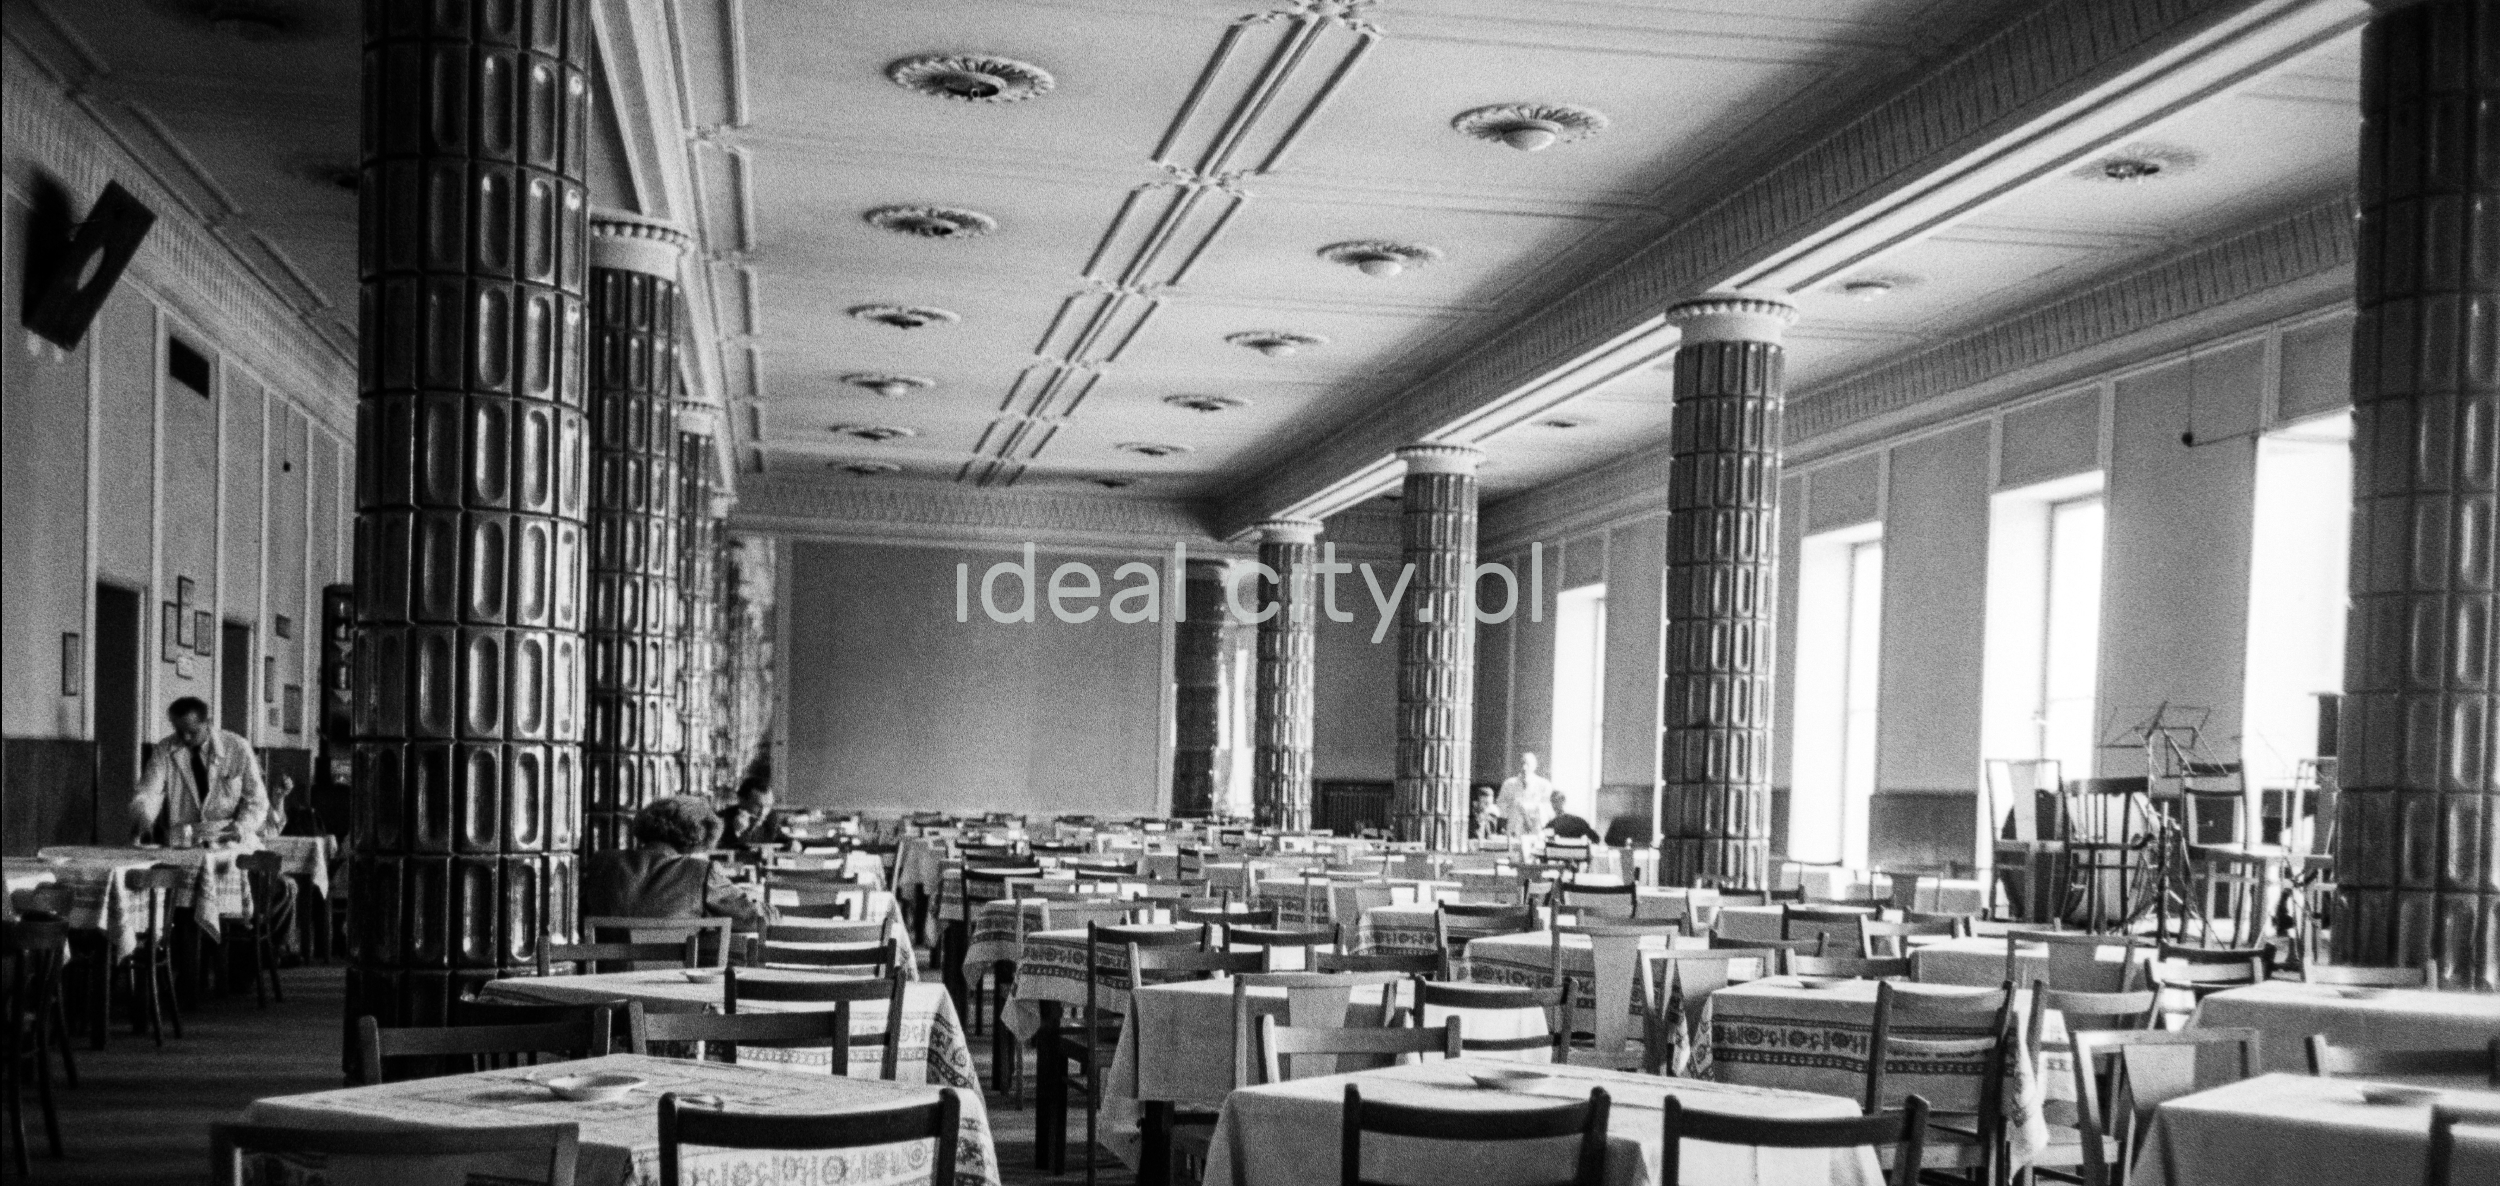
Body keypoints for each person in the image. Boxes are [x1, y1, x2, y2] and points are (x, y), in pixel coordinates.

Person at [581, 795, 768, 931]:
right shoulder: (701, 873)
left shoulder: (602, 862)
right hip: (672, 979)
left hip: (598, 978)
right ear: (698, 838)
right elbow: (756, 919)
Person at [130, 697, 272, 847]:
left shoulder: (237, 747)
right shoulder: (164, 750)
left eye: (193, 732)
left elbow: (258, 800)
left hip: (228, 837)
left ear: (208, 723)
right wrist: (143, 816)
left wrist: (242, 827)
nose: (186, 738)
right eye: (179, 731)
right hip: (183, 839)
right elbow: (149, 791)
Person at [716, 779, 788, 852]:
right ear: (742, 801)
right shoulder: (721, 818)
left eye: (768, 806)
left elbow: (781, 839)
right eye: (758, 805)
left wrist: (793, 844)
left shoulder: (772, 818)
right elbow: (717, 851)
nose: (763, 812)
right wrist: (737, 832)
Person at [1495, 752, 1555, 838]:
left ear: (1535, 766)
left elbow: (1548, 809)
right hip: (1514, 828)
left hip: (1535, 829)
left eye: (1528, 764)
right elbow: (1500, 806)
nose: (1524, 767)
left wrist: (1527, 807)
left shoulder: (1544, 785)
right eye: (1522, 763)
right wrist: (1513, 807)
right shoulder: (1508, 784)